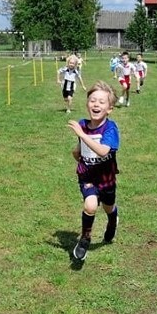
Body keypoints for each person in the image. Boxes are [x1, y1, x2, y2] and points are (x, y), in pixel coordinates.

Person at [68, 81, 121, 261]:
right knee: (90, 205)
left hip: (106, 179)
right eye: (92, 100)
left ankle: (113, 220)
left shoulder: (110, 128)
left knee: (108, 207)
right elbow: (82, 147)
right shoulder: (83, 125)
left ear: (109, 109)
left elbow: (103, 151)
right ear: (87, 103)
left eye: (101, 102)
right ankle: (85, 238)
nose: (96, 104)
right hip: (87, 175)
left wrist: (82, 136)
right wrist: (77, 150)